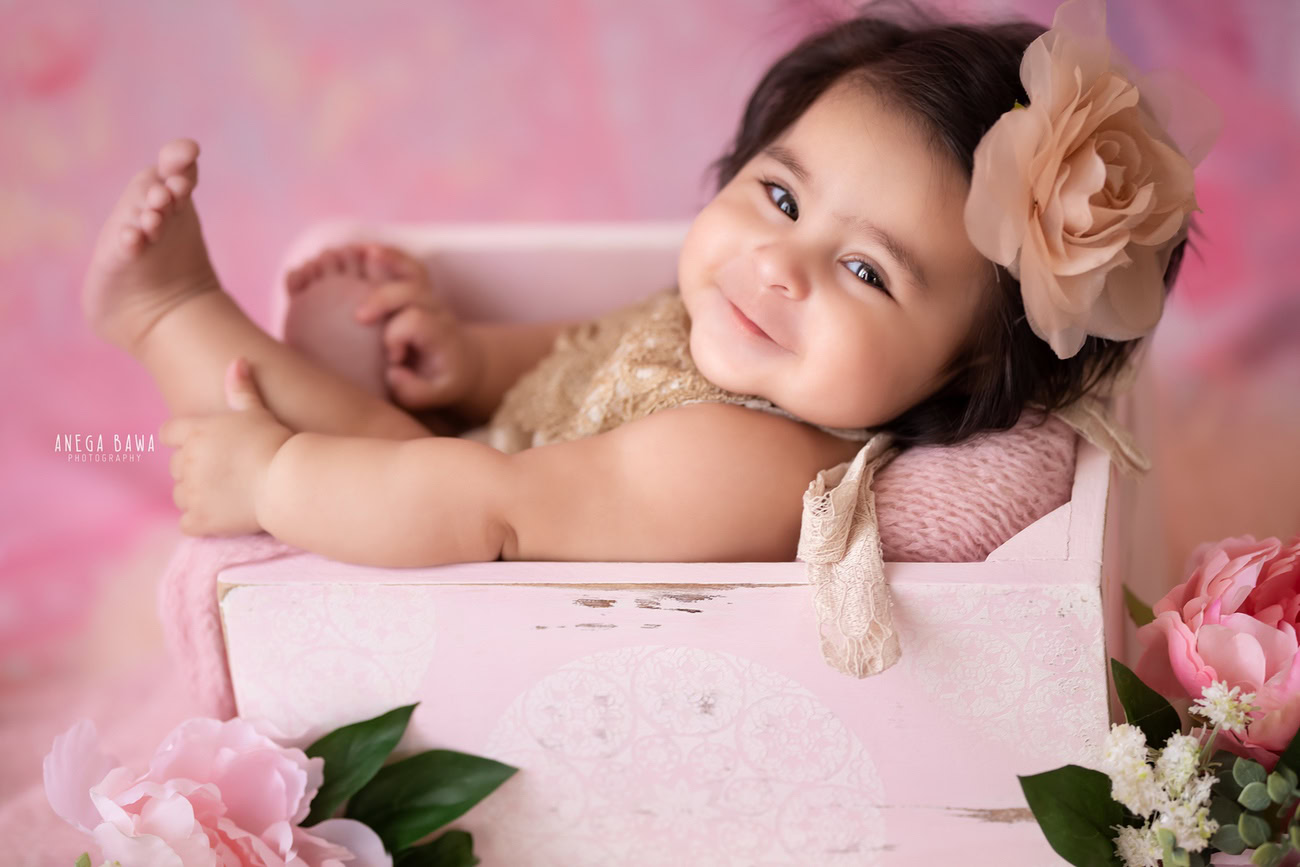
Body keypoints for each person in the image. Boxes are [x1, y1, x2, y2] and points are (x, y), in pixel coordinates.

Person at [79, 0, 1216, 675]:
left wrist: (275, 480)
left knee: (321, 424)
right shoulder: (740, 328)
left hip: (464, 535)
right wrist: (475, 358)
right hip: (483, 455)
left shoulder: (752, 455)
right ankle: (265, 355)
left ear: (965, 371)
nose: (779, 263)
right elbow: (597, 346)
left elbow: (489, 509)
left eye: (866, 271)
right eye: (778, 197)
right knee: (368, 403)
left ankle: (171, 318)